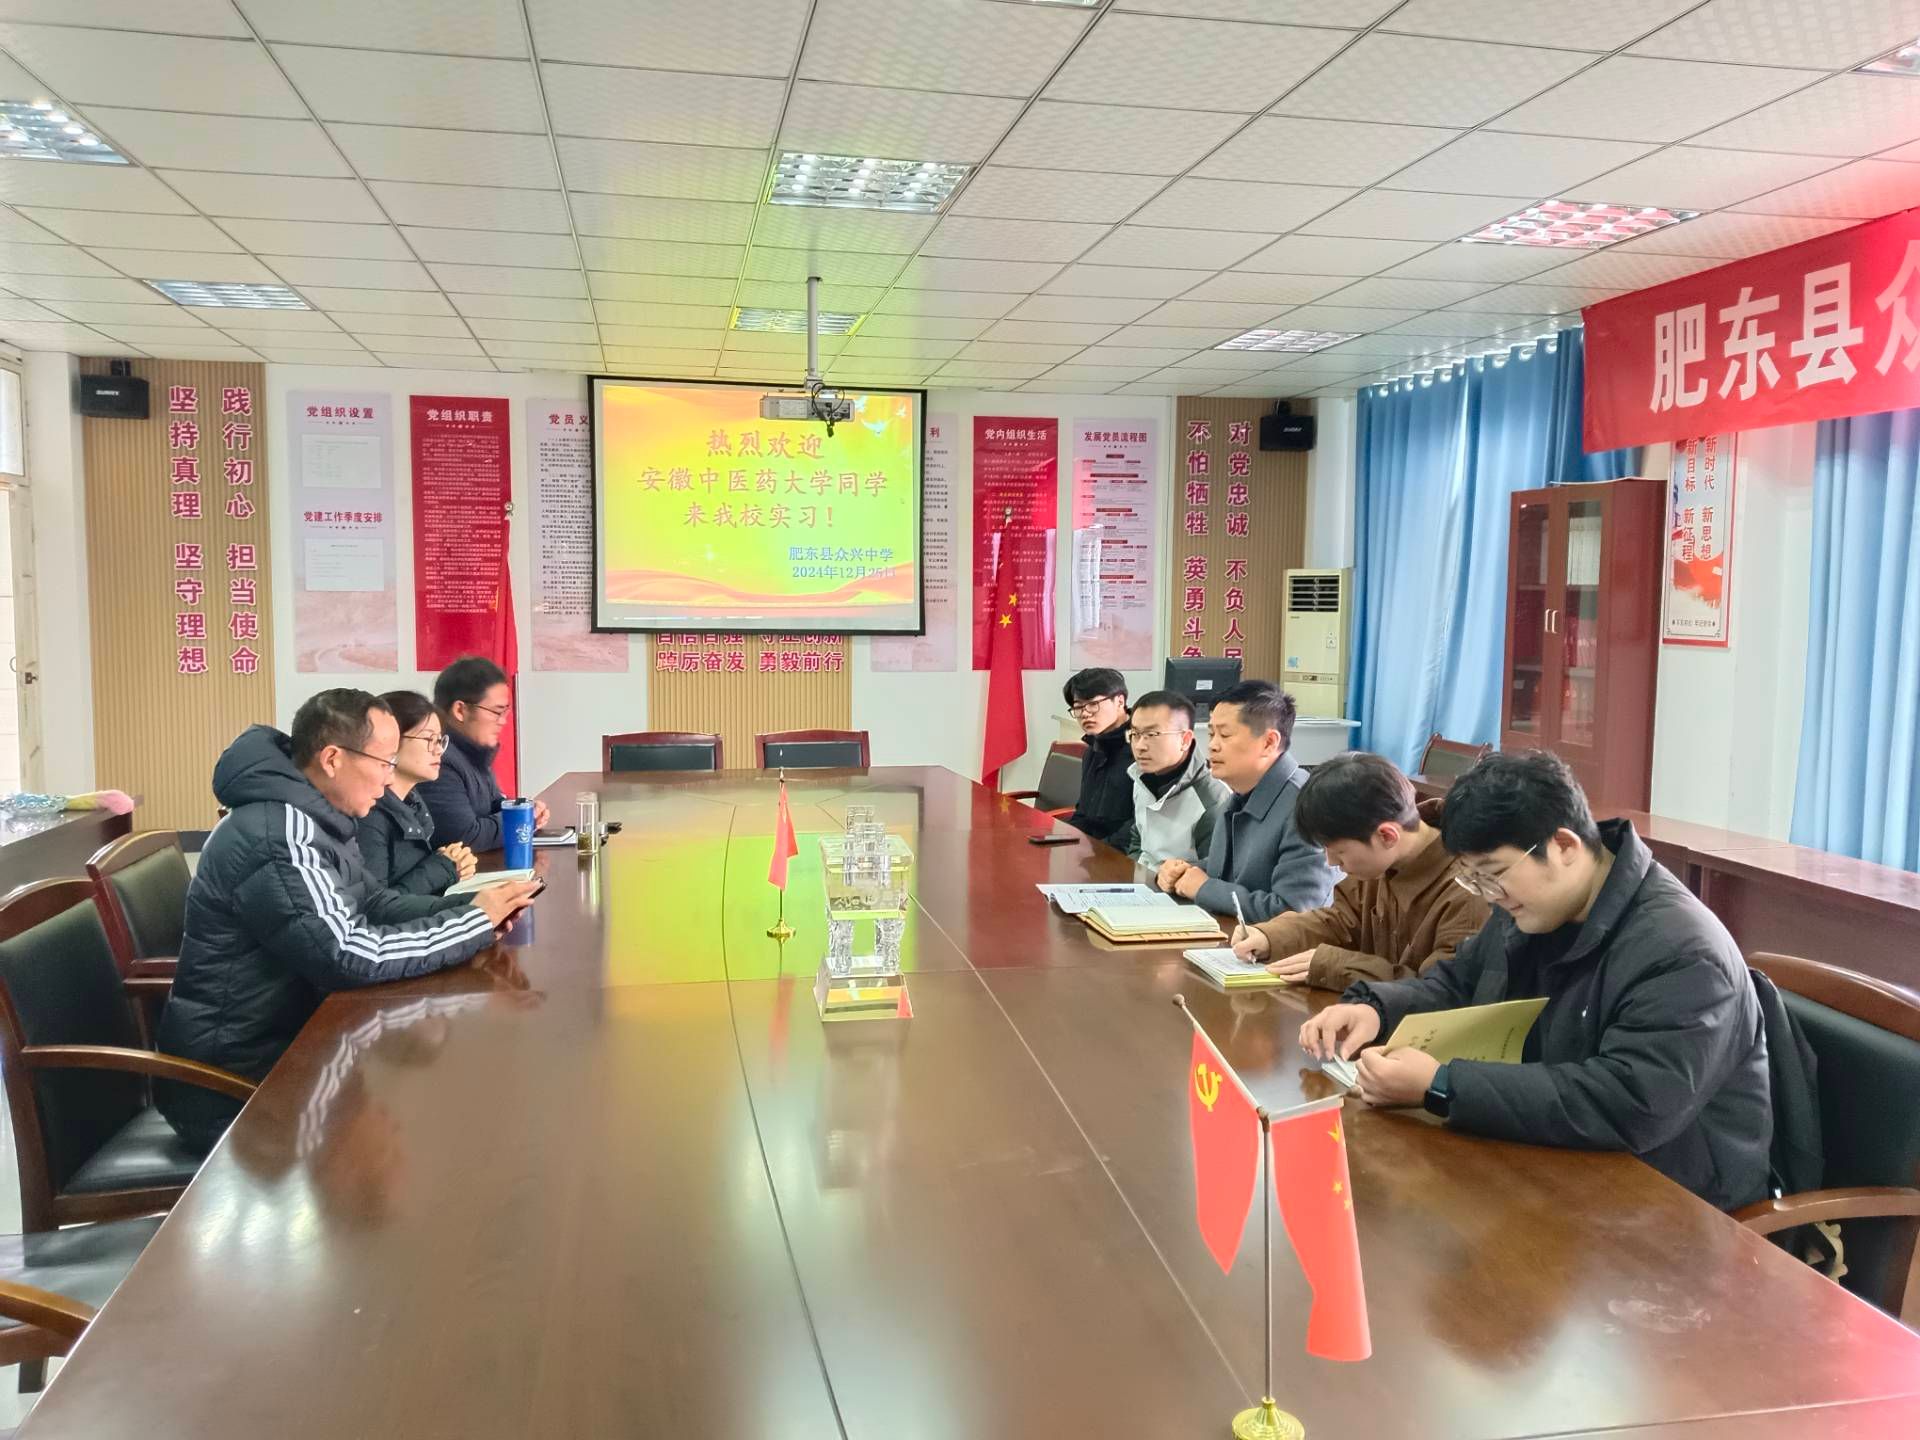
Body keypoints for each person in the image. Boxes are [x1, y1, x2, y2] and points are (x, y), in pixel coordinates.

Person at [1299, 749, 1771, 1212]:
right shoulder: (1534, 906)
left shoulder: (1681, 951)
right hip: (1554, 1158)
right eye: (1474, 880)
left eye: (1494, 874)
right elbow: (1458, 984)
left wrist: (1443, 1084)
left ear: (1563, 846)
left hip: (1670, 1198)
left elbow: (1631, 1102)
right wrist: (1375, 1009)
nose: (1489, 895)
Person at [156, 689, 541, 1151]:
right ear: (333, 759)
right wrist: (470, 926)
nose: (389, 777)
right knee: (443, 1107)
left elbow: (372, 903)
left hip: (293, 1049)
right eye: (384, 761)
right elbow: (348, 954)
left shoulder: (316, 817)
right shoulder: (278, 836)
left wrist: (472, 908)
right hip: (236, 1084)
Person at [1231, 751, 1490, 990]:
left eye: (1340, 851)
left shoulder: (1469, 888)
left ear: (1387, 836)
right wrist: (1270, 936)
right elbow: (1340, 921)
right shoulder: (1381, 864)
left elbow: (1439, 990)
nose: (1331, 862)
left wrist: (1334, 965)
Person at [1155, 680, 1336, 922]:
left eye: (1225, 735)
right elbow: (1235, 870)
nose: (1212, 745)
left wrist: (1204, 888)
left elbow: (1295, 913)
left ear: (1269, 743)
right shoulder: (1241, 792)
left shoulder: (1306, 807)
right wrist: (1184, 871)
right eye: (1211, 734)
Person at [356, 690, 477, 904]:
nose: (439, 750)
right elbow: (375, 908)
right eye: (429, 739)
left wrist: (455, 867)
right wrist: (444, 868)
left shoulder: (413, 802)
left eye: (440, 740)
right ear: (391, 740)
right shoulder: (369, 813)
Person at [417, 655, 546, 852]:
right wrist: (522, 819)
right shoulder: (440, 760)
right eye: (497, 712)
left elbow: (492, 806)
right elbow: (465, 837)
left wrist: (525, 809)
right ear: (460, 710)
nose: (503, 721)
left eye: (505, 712)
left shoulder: (472, 753)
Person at [1114, 688, 1231, 867]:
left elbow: (1214, 871)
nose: (1139, 746)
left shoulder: (1213, 799)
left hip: (1178, 884)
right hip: (1141, 879)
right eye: (1135, 734)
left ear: (1185, 740)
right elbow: (1138, 840)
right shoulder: (1141, 777)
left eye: (1152, 735)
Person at [1060, 667, 1132, 844]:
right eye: (1078, 707)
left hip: (1124, 854)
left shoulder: (1144, 749)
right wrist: (1062, 839)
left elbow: (1141, 825)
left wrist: (1098, 851)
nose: (1085, 713)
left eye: (1093, 704)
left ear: (1120, 701)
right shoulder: (1093, 751)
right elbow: (1083, 813)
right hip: (1092, 850)